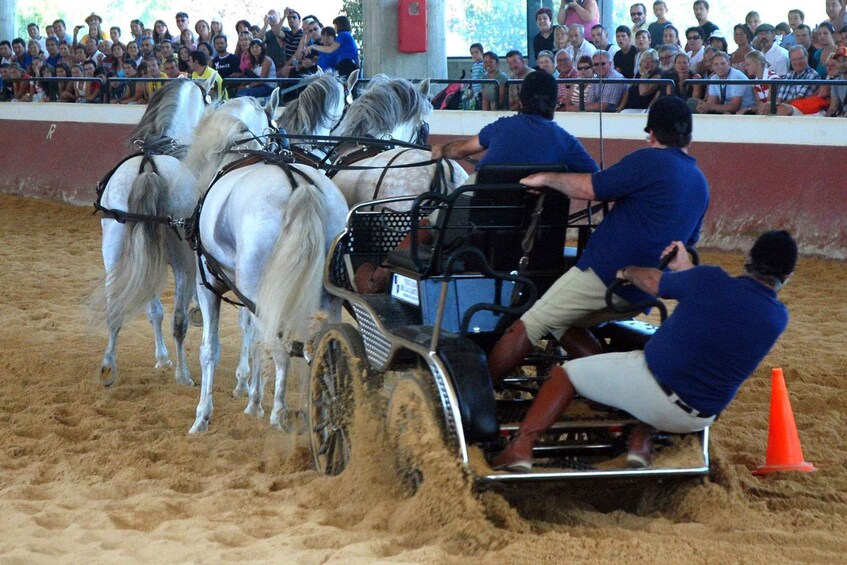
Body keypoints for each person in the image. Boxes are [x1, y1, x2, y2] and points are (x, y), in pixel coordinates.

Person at [491, 230, 796, 472]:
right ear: (787, 275)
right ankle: (641, 443)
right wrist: (684, 269)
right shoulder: (777, 317)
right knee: (685, 369)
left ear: (749, 258)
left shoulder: (711, 279)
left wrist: (627, 271)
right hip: (700, 417)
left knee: (564, 374)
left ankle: (521, 447)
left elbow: (654, 282)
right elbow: (721, 303)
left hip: (655, 391)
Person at [486, 95, 708, 384]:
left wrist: (547, 178)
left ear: (651, 133)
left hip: (604, 275)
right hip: (644, 291)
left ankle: (477, 399)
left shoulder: (649, 160)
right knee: (560, 320)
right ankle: (608, 383)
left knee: (532, 321)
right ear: (688, 135)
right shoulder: (700, 183)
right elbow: (688, 246)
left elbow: (592, 188)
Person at [431, 70, 599, 174]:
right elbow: (595, 177)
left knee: (428, 222)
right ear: (554, 105)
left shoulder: (500, 127)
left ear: (521, 101)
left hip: (484, 221)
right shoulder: (565, 141)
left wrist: (441, 149)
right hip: (542, 223)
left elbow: (462, 150)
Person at [774, 46, 825, 116]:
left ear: (807, 57)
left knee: (783, 108)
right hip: (783, 108)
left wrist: (780, 106)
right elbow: (779, 97)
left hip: (801, 110)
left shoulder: (813, 75)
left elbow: (799, 98)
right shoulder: (788, 75)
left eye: (800, 58)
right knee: (767, 106)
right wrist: (776, 105)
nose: (797, 62)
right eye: (794, 60)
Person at [740, 50, 781, 114]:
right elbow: (759, 104)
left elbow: (768, 104)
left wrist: (748, 109)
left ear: (758, 63)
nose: (746, 68)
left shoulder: (772, 78)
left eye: (748, 65)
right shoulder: (755, 83)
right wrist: (746, 109)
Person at [826, 46, 847, 116]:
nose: (841, 64)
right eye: (838, 61)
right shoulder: (836, 82)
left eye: (845, 60)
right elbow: (833, 108)